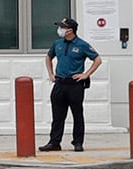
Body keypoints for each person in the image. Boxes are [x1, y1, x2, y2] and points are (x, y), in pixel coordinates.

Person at [41, 16, 102, 151]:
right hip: (60, 82)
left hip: (75, 84)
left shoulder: (82, 44)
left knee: (77, 114)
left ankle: (78, 142)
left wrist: (86, 74)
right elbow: (48, 57)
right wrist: (51, 74)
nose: (60, 30)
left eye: (63, 27)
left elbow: (97, 59)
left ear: (70, 30)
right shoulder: (58, 43)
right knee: (57, 116)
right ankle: (54, 142)